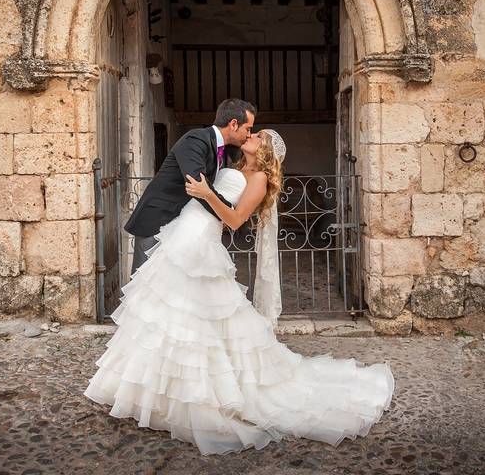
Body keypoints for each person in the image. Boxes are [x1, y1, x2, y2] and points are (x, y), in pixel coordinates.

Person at [84, 128, 394, 455]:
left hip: (203, 241)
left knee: (193, 315)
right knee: (171, 311)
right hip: (184, 231)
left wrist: (206, 194)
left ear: (265, 149)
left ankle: (195, 394)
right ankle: (149, 390)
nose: (251, 134)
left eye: (258, 135)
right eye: (252, 129)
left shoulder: (259, 178)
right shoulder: (233, 163)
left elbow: (234, 220)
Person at [123, 98, 256, 274]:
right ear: (233, 124)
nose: (249, 134)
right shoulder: (196, 139)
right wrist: (228, 211)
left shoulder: (221, 149)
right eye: (248, 128)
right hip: (157, 221)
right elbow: (198, 185)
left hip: (179, 226)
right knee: (143, 285)